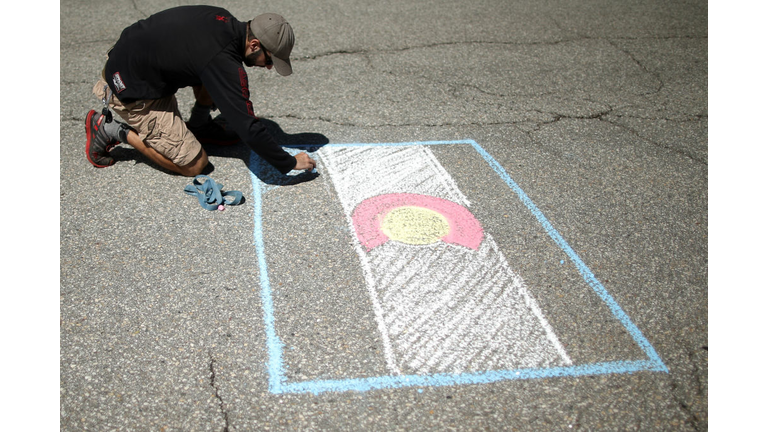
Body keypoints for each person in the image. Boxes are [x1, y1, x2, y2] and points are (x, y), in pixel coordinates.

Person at [85, 5, 317, 176]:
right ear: (254, 45)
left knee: (211, 75)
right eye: (269, 60)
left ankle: (200, 125)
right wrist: (288, 162)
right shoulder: (223, 61)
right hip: (131, 91)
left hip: (130, 60)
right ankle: (109, 129)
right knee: (195, 165)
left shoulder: (223, 20)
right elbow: (248, 127)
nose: (268, 67)